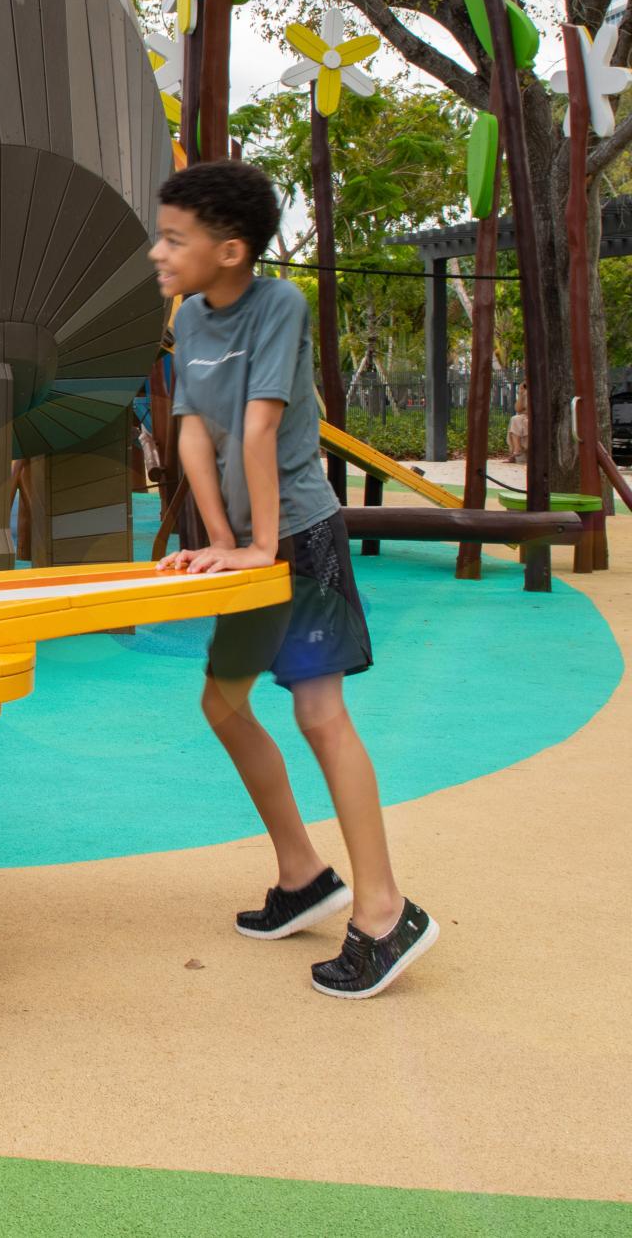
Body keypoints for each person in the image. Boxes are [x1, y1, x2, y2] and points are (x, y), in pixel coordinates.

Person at [151, 161, 438, 1000]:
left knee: (319, 714)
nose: (159, 252)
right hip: (251, 546)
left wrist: (263, 543)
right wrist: (221, 540)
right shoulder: (191, 319)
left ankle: (385, 910)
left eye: (175, 239)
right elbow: (195, 432)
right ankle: (305, 874)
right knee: (225, 703)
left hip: (303, 538)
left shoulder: (279, 304)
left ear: (231, 250)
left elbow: (262, 426)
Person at [507, 383, 530, 462]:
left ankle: (517, 452)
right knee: (515, 419)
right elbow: (518, 409)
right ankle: (517, 449)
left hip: (536, 416)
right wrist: (521, 394)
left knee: (524, 422)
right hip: (524, 416)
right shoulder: (525, 391)